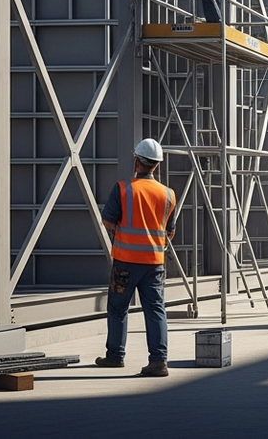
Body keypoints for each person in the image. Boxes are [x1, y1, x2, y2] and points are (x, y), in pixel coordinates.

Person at [97, 138, 177, 377]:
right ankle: (159, 361)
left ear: (136, 161)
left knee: (118, 308)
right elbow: (169, 231)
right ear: (156, 165)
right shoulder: (168, 194)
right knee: (155, 309)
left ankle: (115, 356)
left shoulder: (123, 188)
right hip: (154, 263)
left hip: (125, 261)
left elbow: (108, 220)